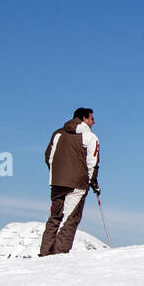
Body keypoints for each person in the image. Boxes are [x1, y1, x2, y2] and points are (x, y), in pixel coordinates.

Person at [41, 107, 100, 256]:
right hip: (78, 184)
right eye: (92, 119)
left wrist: (56, 173)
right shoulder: (90, 137)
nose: (94, 122)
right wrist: (92, 182)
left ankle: (44, 253)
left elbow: (48, 156)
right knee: (70, 219)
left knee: (54, 217)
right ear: (84, 119)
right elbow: (92, 163)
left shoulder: (58, 134)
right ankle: (57, 256)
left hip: (56, 182)